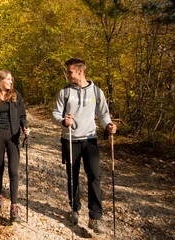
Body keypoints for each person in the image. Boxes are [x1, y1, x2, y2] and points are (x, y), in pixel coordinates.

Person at [52, 58, 117, 233]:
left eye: (70, 71)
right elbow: (56, 113)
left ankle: (95, 217)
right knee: (72, 176)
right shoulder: (64, 92)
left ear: (80, 72)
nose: (67, 75)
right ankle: (74, 209)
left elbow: (103, 114)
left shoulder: (96, 91)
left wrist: (109, 125)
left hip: (90, 140)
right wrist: (63, 121)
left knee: (95, 177)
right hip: (70, 139)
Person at [0, 70, 30, 222]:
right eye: (8, 79)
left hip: (14, 137)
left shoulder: (16, 96)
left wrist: (25, 127)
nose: (11, 81)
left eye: (11, 79)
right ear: (1, 80)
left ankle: (14, 207)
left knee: (13, 171)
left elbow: (22, 115)